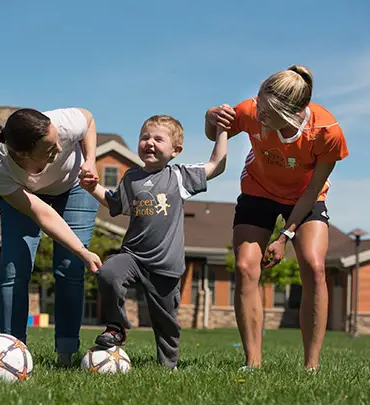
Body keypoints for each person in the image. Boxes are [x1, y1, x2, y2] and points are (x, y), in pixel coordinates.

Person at [204, 65, 349, 371]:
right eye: (259, 103)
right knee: (245, 267)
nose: (259, 116)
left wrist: (286, 237)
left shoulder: (327, 132)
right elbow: (214, 134)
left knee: (314, 266)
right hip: (258, 191)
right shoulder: (251, 110)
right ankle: (252, 363)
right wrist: (211, 118)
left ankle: (311, 366)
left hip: (305, 197)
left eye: (268, 112)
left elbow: (311, 192)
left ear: (292, 112)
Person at [79, 114, 229, 369]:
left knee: (165, 322)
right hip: (133, 256)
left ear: (175, 150)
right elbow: (114, 203)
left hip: (165, 265)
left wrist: (223, 130)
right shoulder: (130, 178)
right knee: (108, 274)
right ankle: (116, 328)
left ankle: (167, 367)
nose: (149, 142)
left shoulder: (180, 177)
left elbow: (217, 165)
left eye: (158, 139)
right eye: (145, 137)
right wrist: (91, 187)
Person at [0, 107, 103, 367]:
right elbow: (41, 214)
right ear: (24, 153)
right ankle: (10, 354)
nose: (59, 149)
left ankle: (66, 354)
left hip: (73, 188)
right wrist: (83, 251)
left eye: (57, 140)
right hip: (26, 195)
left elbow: (89, 119)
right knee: (14, 268)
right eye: (50, 149)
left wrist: (90, 159)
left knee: (70, 267)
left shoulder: (63, 123)